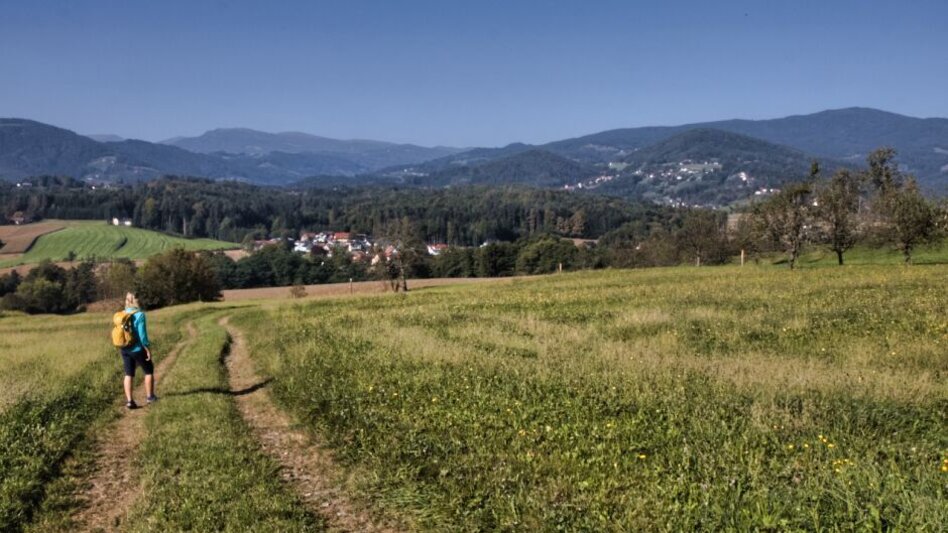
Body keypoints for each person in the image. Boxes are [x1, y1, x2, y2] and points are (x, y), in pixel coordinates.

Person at [120, 292, 156, 409]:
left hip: (124, 348)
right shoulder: (140, 315)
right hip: (137, 348)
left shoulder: (122, 314)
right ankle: (150, 397)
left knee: (129, 373)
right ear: (136, 301)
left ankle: (130, 401)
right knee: (148, 370)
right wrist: (147, 348)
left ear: (127, 301)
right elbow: (142, 335)